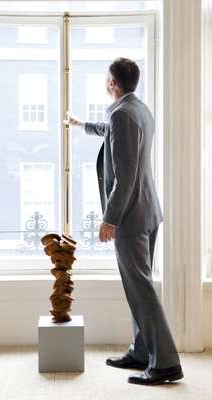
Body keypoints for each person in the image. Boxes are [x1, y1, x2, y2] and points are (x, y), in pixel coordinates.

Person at [66, 57, 183, 385]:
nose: (106, 82)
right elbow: (113, 134)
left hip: (131, 218)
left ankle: (166, 363)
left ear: (112, 83)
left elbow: (126, 174)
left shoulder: (120, 114)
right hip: (149, 212)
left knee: (141, 288)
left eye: (106, 79)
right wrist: (81, 125)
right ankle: (142, 351)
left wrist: (110, 220)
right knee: (139, 286)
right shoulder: (139, 110)